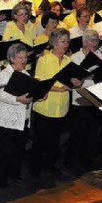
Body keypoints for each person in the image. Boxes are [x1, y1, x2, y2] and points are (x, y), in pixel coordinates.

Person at [30, 28, 81, 180]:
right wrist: (58, 88)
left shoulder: (68, 61)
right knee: (40, 139)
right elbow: (39, 82)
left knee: (55, 140)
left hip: (61, 107)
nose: (65, 44)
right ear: (53, 42)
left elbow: (72, 81)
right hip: (45, 106)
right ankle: (35, 168)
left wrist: (77, 82)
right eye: (62, 41)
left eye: (67, 41)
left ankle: (50, 165)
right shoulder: (44, 59)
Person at [65, 30, 102, 174]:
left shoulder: (99, 55)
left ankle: (87, 160)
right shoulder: (75, 57)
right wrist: (86, 76)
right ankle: (72, 162)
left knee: (93, 133)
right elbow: (72, 78)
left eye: (97, 40)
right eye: (93, 40)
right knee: (78, 133)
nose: (96, 43)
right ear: (85, 41)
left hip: (95, 99)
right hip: (79, 100)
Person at [0, 44, 33, 187]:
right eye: (20, 57)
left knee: (19, 150)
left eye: (25, 57)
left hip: (22, 118)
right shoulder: (4, 74)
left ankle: (15, 174)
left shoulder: (26, 74)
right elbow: (2, 95)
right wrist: (18, 99)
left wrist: (38, 95)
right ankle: (1, 179)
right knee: (6, 152)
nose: (24, 60)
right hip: (7, 120)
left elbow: (30, 94)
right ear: (12, 58)